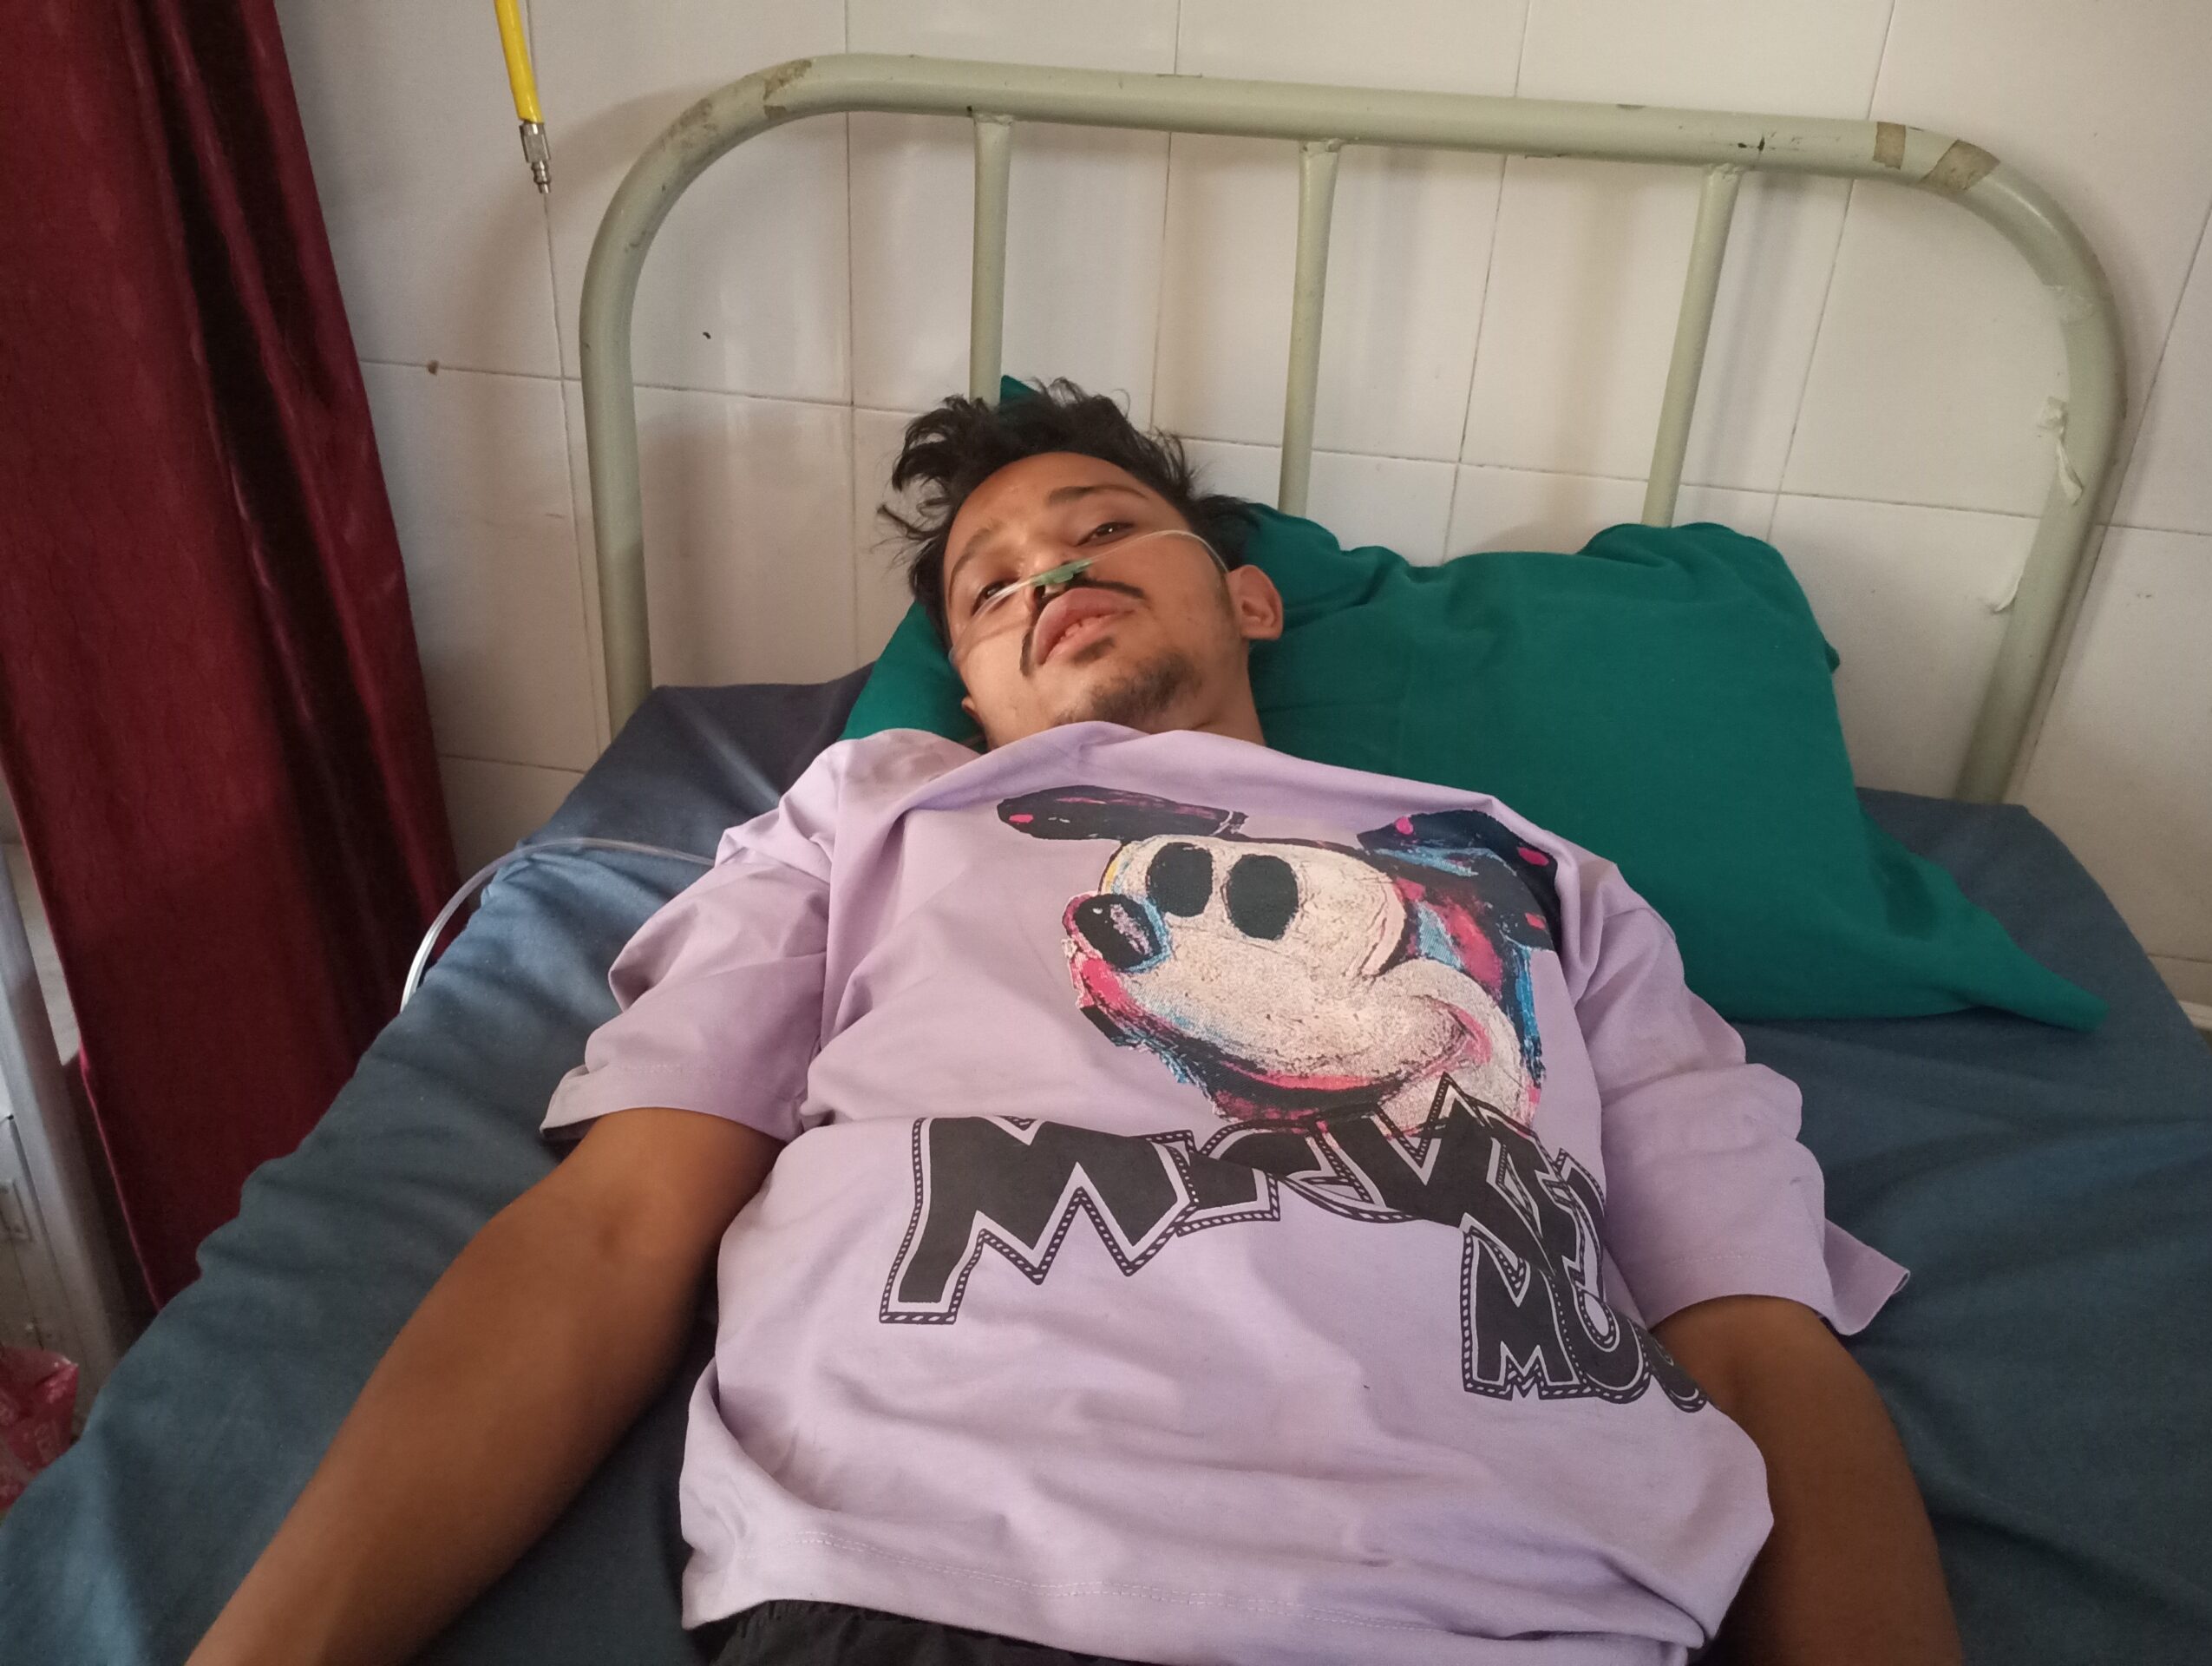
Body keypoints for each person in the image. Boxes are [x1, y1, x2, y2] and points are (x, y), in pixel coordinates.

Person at [189, 382, 1960, 1666]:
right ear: (970, 688)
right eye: (992, 584)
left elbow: (1756, 1348)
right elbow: (610, 1231)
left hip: (1503, 1611)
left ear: (1247, 597)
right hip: (931, 1580)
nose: (1050, 573)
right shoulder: (872, 816)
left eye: (1105, 530)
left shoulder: (1540, 882)